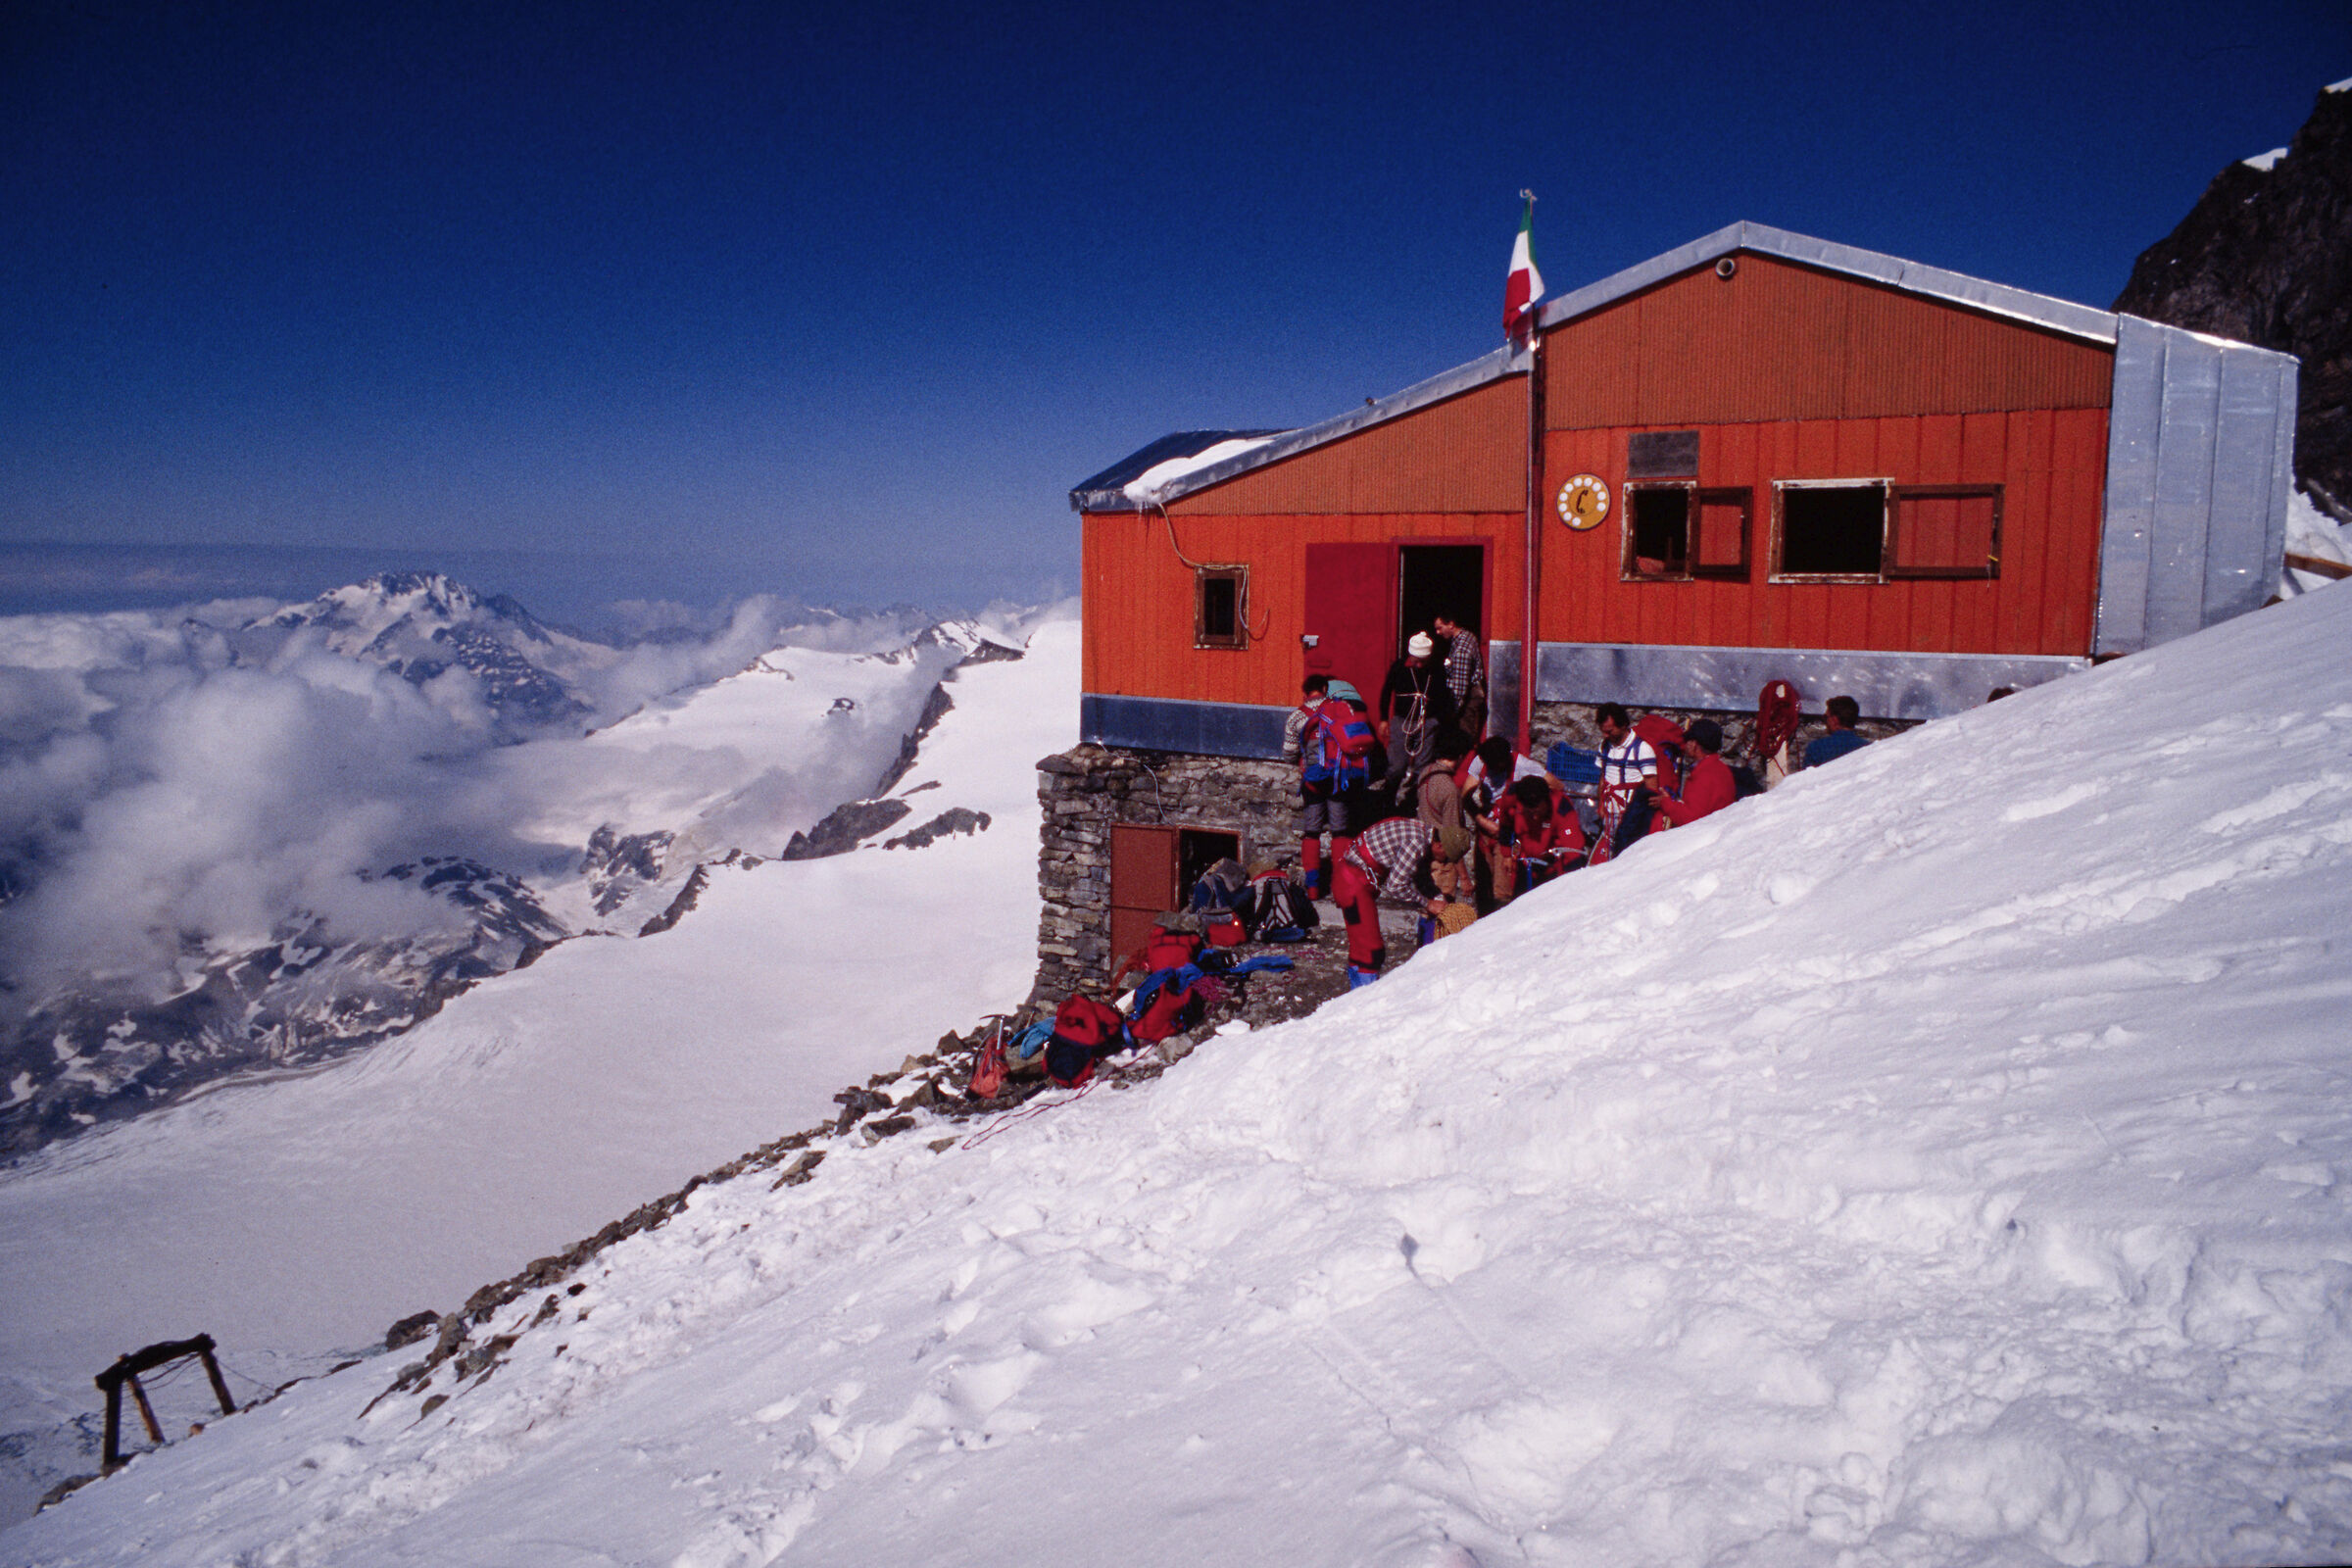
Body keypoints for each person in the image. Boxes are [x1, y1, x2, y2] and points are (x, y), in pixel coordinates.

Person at [1332, 815, 1462, 986]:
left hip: (1350, 878)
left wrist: (1437, 897)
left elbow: (1417, 872)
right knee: (1370, 951)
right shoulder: (1416, 843)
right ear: (1438, 845)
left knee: (1360, 947)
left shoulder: (1423, 831)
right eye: (1445, 857)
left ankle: (1354, 994)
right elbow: (1395, 886)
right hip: (1352, 884)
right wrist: (1427, 903)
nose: (1444, 862)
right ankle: (1362, 1000)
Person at [1281, 674, 1363, 897]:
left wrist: (1302, 761)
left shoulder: (1297, 716)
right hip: (1340, 780)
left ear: (1305, 693)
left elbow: (1288, 754)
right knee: (1340, 832)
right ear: (1326, 689)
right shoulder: (1343, 708)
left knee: (1312, 833)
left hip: (1313, 781)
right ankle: (1340, 886)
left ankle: (1314, 887)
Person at [1377, 633, 1457, 814]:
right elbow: (1385, 692)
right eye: (1416, 661)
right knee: (1397, 766)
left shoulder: (1436, 669)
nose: (1419, 665)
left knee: (1423, 766)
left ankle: (1414, 804)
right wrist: (1383, 718)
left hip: (1427, 722)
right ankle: (1387, 803)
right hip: (1402, 721)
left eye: (1423, 661)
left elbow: (1445, 696)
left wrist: (1437, 720)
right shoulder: (1399, 667)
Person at [1493, 774, 1586, 899]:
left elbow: (1574, 853)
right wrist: (1506, 854)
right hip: (1526, 865)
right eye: (1530, 814)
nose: (1535, 818)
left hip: (1552, 868)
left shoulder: (1562, 808)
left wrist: (1571, 888)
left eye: (1538, 812)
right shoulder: (1511, 798)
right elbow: (1505, 823)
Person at [1594, 702, 1663, 858]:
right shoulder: (1604, 746)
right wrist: (1601, 806)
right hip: (1610, 814)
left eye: (1610, 731)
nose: (1606, 735)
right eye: (1603, 731)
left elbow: (1651, 787)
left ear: (1624, 724)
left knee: (1626, 855)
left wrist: (1639, 817)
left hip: (1630, 815)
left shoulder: (1643, 749)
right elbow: (1603, 777)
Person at [1646, 718, 1737, 829]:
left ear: (1694, 744)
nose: (1685, 745)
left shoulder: (1704, 775)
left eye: (1688, 741)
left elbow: (1690, 819)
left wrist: (1665, 802)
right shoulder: (1721, 769)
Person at [1433, 612, 1486, 741]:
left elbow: (1459, 689)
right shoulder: (1468, 636)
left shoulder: (1461, 651)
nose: (1438, 632)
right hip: (1470, 698)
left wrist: (1451, 714)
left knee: (1464, 739)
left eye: (1440, 628)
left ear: (1451, 624)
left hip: (1466, 702)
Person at [1415, 729, 1471, 834]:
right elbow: (1453, 832)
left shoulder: (1426, 771)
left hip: (1421, 833)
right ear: (1460, 757)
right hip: (1439, 843)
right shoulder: (1450, 790)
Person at [1803, 695, 1871, 768]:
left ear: (1834, 720)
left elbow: (1806, 777)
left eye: (1826, 717)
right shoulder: (1869, 748)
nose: (1825, 721)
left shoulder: (1816, 748)